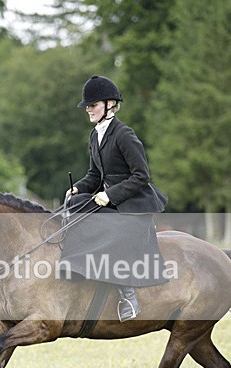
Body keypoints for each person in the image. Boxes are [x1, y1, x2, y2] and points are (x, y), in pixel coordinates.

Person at [61, 75, 168, 321]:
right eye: (87, 105)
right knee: (74, 205)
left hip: (133, 205)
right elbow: (94, 174)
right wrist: (78, 188)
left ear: (110, 104)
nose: (88, 109)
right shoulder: (95, 135)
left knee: (107, 231)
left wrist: (109, 195)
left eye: (93, 105)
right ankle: (77, 269)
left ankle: (128, 296)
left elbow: (142, 175)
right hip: (110, 201)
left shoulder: (124, 134)